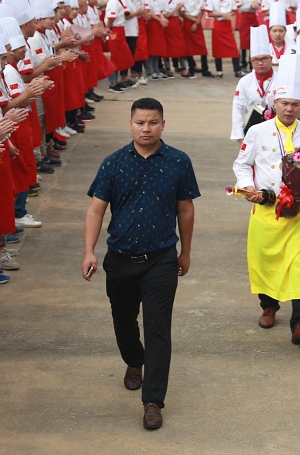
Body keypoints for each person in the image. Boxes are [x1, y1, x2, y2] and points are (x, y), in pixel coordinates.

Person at [82, 97, 198, 431]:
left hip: (161, 258)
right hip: (120, 259)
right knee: (123, 320)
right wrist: (89, 251)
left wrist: (185, 251)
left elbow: (186, 209)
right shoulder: (114, 163)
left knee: (158, 328)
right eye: (140, 123)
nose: (146, 129)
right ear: (131, 124)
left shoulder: (178, 161)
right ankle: (134, 360)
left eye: (152, 122)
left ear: (163, 124)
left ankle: (153, 402)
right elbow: (96, 210)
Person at [233, 55, 300, 342]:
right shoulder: (257, 131)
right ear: (274, 104)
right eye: (284, 103)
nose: (289, 109)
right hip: (266, 209)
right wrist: (248, 188)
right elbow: (241, 164)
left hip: (299, 211)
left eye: (295, 104)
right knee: (266, 261)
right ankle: (269, 306)